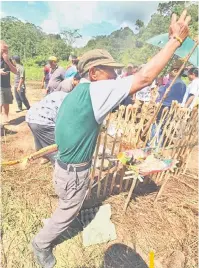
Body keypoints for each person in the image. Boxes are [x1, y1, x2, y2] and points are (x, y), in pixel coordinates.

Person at [31, 10, 191, 268]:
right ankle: (41, 245)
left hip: (64, 166)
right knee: (67, 213)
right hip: (73, 172)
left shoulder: (77, 91)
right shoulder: (97, 90)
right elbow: (144, 78)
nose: (115, 76)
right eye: (110, 71)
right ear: (94, 73)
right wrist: (175, 41)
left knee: (68, 203)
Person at [26, 91, 68, 164]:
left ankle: (44, 156)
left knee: (39, 138)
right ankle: (59, 165)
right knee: (56, 147)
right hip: (43, 121)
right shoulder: (70, 102)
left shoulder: (61, 94)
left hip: (30, 116)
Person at [0, 40, 17, 123]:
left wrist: (7, 61)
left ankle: (5, 118)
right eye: (3, 50)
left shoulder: (8, 60)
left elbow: (15, 71)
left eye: (7, 50)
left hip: (7, 85)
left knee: (6, 103)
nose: (5, 52)